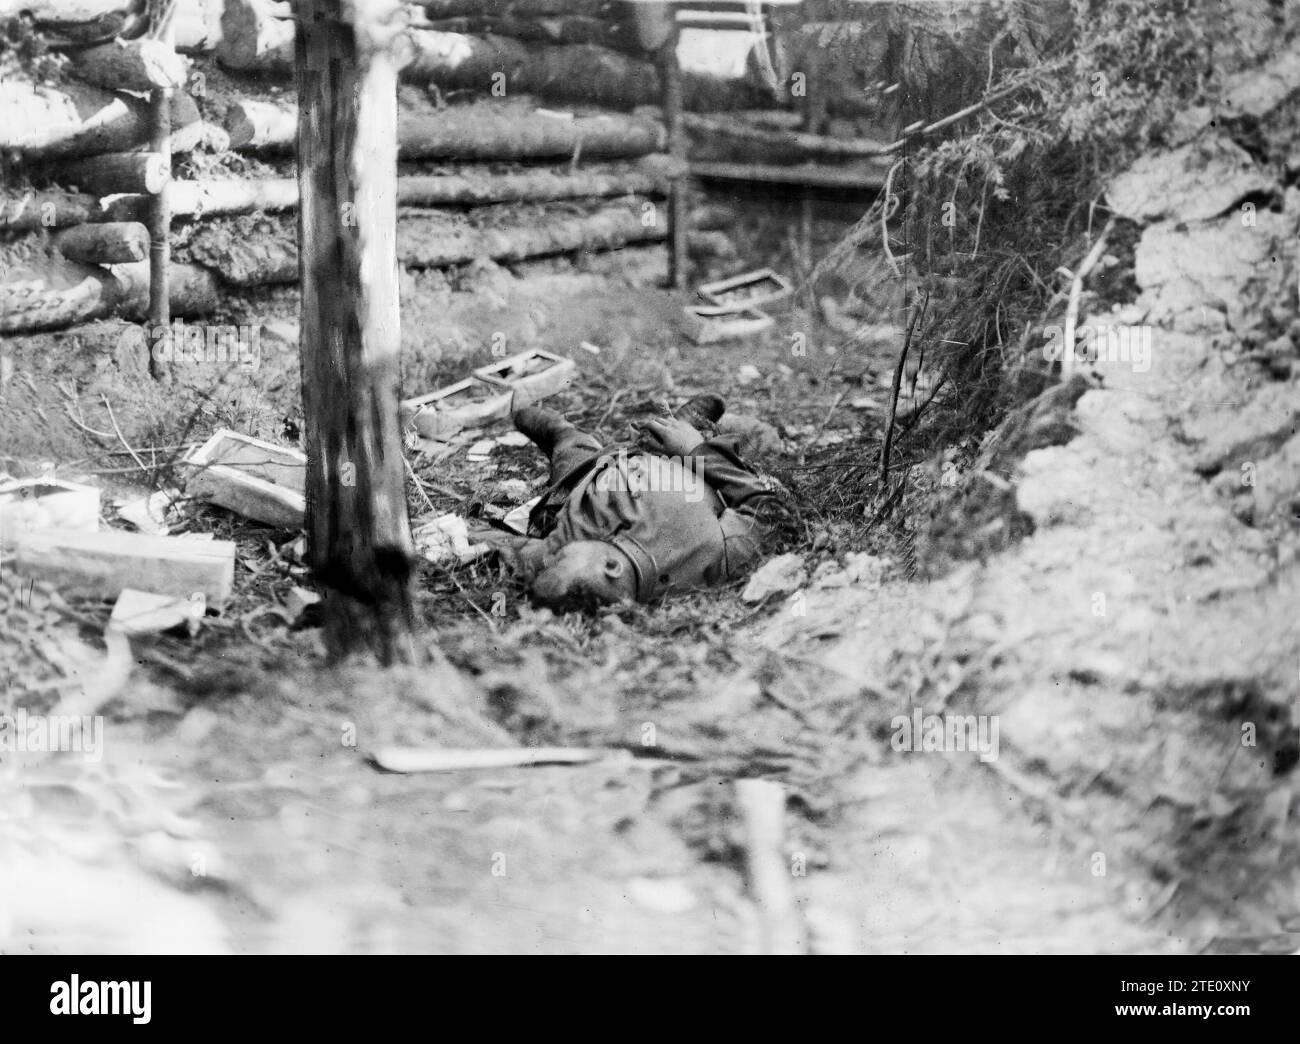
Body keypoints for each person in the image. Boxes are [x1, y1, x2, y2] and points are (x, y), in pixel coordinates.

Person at [478, 395, 793, 611]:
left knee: (568, 445)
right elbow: (769, 511)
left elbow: (513, 551)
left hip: (584, 474)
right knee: (749, 440)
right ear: (612, 567)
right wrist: (697, 450)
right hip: (684, 464)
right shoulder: (710, 560)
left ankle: (562, 432)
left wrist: (471, 537)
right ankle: (685, 426)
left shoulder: (565, 552)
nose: (552, 555)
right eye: (559, 558)